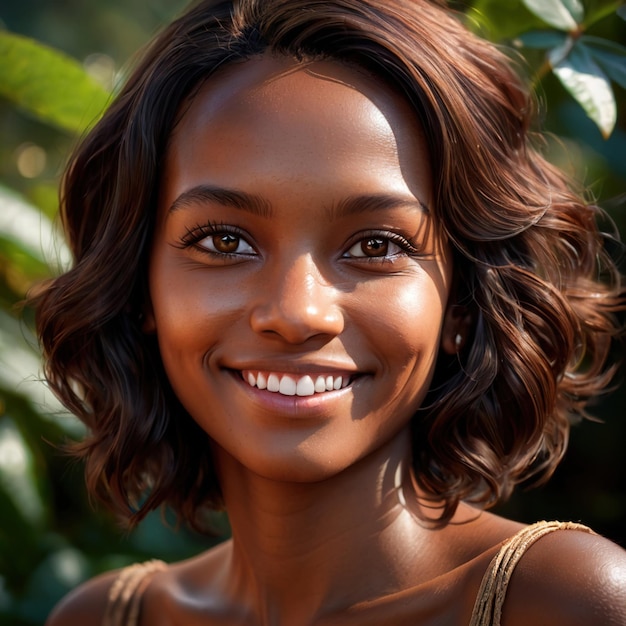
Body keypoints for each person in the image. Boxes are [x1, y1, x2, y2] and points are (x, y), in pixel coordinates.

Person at [34, 0, 626, 624]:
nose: (297, 312)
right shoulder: (99, 617)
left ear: (461, 300)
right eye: (224, 242)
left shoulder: (569, 603)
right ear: (139, 283)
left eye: (376, 246)